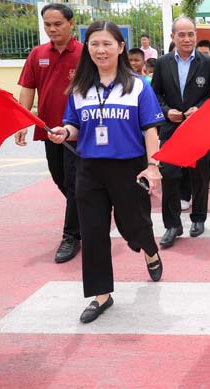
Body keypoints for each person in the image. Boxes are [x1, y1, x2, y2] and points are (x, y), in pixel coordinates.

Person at [48, 20, 165, 323]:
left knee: (134, 226)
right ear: (88, 48)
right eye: (94, 44)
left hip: (128, 168)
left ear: (120, 47)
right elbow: (74, 126)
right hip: (89, 170)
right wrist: (64, 132)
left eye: (107, 44)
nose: (101, 50)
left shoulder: (138, 86)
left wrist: (153, 166)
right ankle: (101, 295)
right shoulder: (79, 89)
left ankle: (149, 249)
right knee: (94, 232)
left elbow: (150, 129)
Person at [15, 3, 82, 264]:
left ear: (71, 23)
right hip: (47, 129)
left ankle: (71, 236)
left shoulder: (85, 54)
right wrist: (22, 121)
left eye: (58, 24)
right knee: (60, 179)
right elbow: (27, 88)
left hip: (78, 131)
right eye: (48, 25)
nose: (52, 29)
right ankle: (89, 209)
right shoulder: (37, 54)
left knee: (75, 183)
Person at [151, 16, 210, 247]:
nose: (186, 39)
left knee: (199, 176)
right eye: (181, 34)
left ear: (196, 35)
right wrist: (166, 111)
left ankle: (198, 218)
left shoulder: (208, 63)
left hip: (197, 129)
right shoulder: (162, 63)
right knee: (170, 175)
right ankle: (172, 225)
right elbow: (155, 95)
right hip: (171, 129)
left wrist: (200, 109)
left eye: (190, 34)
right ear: (172, 37)